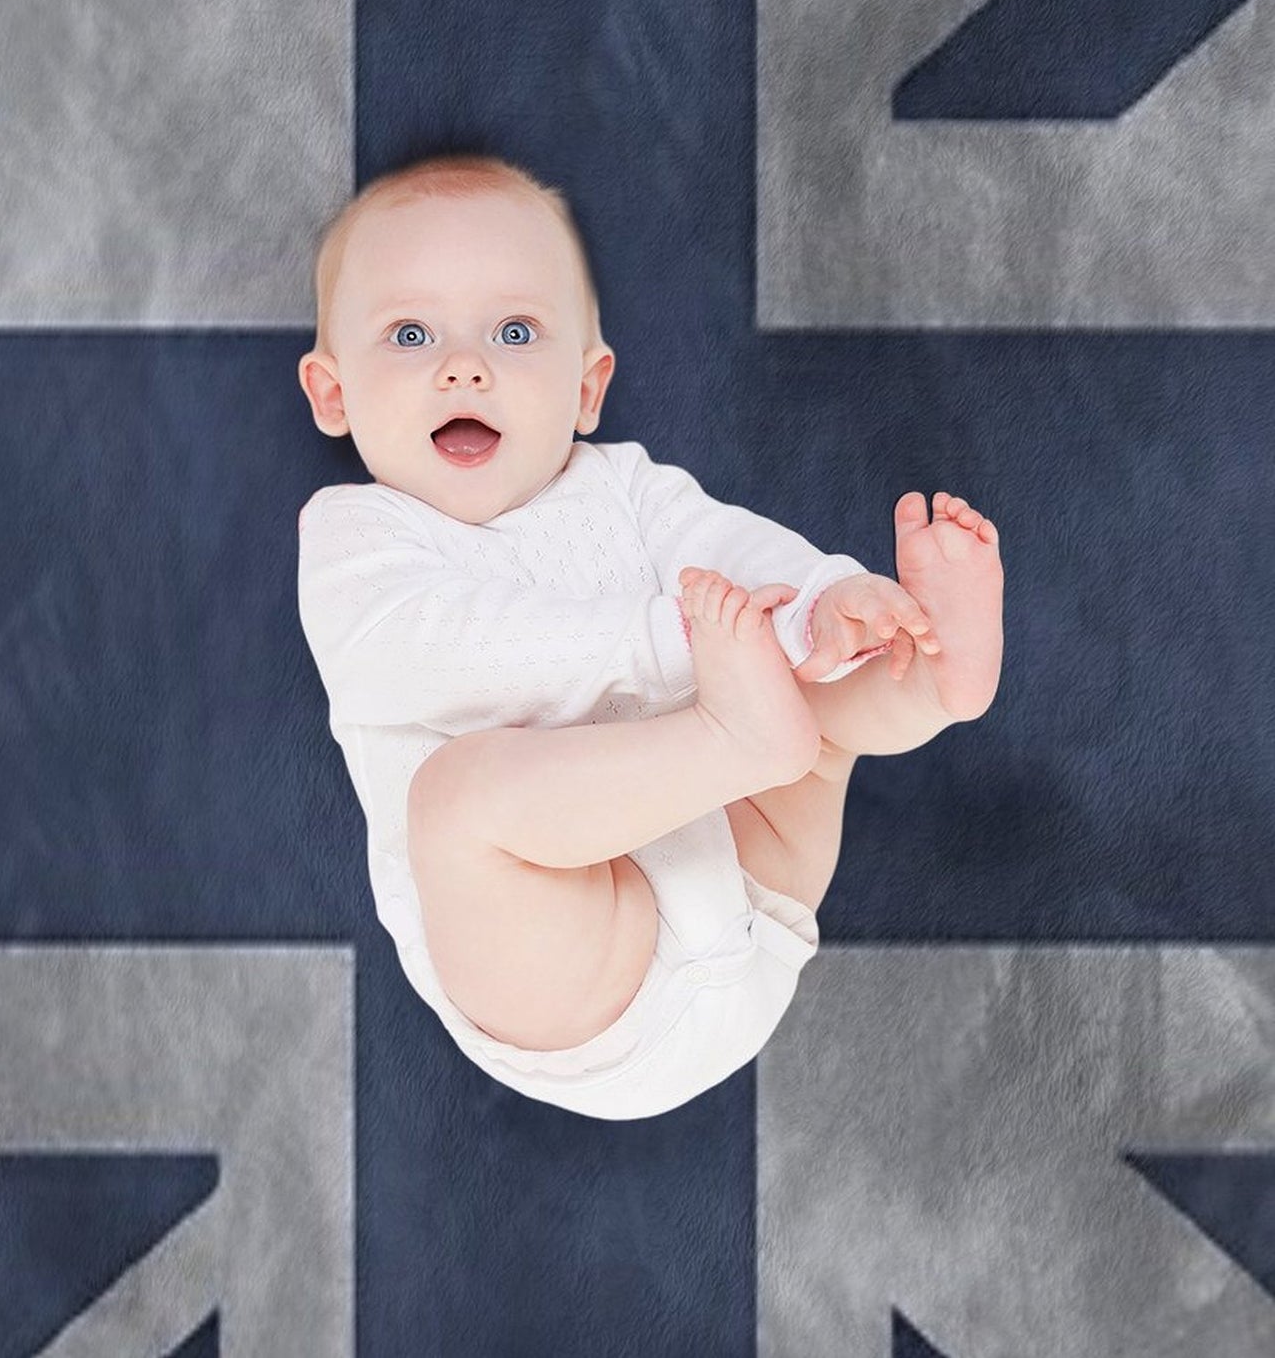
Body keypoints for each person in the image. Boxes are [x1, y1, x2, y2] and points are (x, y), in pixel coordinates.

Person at [295, 152, 1004, 1120]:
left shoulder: (622, 484)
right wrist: (677, 640)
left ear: (586, 388)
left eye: (514, 331)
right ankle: (743, 734)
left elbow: (731, 548)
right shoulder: (358, 535)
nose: (465, 366)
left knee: (811, 685)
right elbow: (433, 651)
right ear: (333, 394)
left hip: (753, 881)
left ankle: (924, 676)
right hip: (581, 978)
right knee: (457, 798)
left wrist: (821, 599)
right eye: (410, 333)